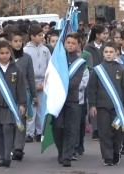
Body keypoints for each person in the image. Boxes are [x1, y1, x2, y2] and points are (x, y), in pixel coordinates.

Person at [0, 41, 27, 168]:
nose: (4, 56)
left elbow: (21, 88)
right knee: (0, 132)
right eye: (1, 53)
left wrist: (22, 103)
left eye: (7, 53)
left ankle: (7, 156)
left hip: (10, 106)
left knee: (9, 130)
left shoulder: (16, 69)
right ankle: (2, 157)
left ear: (10, 53)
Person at [88, 42, 124, 166]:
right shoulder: (97, 70)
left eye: (111, 52)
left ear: (116, 53)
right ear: (103, 53)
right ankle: (107, 157)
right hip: (102, 106)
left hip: (118, 108)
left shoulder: (123, 70)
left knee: (118, 132)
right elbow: (92, 89)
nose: (108, 54)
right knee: (104, 132)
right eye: (106, 52)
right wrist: (92, 105)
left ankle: (116, 152)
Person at [52, 32, 87, 167]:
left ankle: (68, 155)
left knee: (71, 128)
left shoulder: (80, 63)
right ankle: (61, 151)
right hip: (57, 99)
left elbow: (76, 82)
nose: (70, 45)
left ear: (78, 45)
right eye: (68, 43)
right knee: (57, 126)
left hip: (72, 99)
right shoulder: (58, 59)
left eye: (73, 43)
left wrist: (60, 87)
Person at [7, 30, 37, 160]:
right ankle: (10, 147)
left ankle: (19, 148)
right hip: (8, 93)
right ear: (10, 42)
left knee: (21, 120)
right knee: (9, 121)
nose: (18, 44)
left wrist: (34, 95)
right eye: (15, 41)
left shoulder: (27, 58)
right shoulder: (5, 57)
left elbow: (31, 77)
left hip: (23, 93)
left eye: (20, 41)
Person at [24, 24, 51, 142]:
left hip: (43, 82)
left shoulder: (45, 50)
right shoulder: (25, 50)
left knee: (41, 108)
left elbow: (50, 67)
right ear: (32, 36)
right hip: (31, 82)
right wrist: (32, 85)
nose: (42, 37)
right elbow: (24, 70)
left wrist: (46, 82)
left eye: (42, 35)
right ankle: (29, 133)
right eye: (39, 35)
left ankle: (40, 132)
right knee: (31, 109)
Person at [84, 24, 108, 140]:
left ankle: (104, 128)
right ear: (97, 35)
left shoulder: (107, 46)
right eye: (104, 33)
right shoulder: (88, 48)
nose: (106, 35)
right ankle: (96, 129)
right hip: (93, 77)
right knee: (93, 103)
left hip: (106, 77)